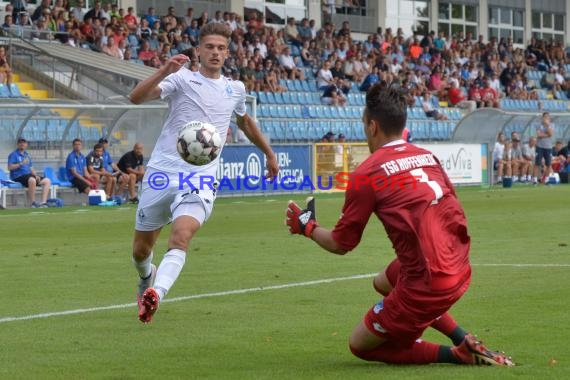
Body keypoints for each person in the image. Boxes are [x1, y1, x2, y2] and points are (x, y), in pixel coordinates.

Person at [285, 82, 514, 366]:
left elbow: (342, 244)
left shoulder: (367, 173)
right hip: (461, 267)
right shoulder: (427, 157)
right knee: (383, 281)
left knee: (360, 345)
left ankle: (457, 355)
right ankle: (461, 337)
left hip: (430, 283)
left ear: (371, 126)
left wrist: (307, 226)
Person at [128, 22, 279, 324]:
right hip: (162, 173)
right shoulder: (181, 79)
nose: (215, 52)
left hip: (200, 177)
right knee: (141, 250)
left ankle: (156, 293)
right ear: (198, 50)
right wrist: (164, 70)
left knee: (181, 235)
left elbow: (245, 122)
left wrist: (269, 153)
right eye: (209, 46)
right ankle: (147, 278)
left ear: (227, 53)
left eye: (221, 48)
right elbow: (136, 98)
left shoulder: (234, 89)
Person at [7, 137, 51, 207]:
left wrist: (35, 175)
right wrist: (21, 163)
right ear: (17, 144)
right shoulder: (13, 155)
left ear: (26, 144)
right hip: (17, 177)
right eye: (20, 142)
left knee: (47, 181)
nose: (22, 144)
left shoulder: (26, 155)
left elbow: (31, 168)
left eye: (24, 142)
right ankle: (33, 203)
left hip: (28, 176)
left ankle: (43, 202)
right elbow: (9, 167)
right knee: (32, 180)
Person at [533, 112, 554, 184]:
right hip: (540, 146)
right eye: (544, 117)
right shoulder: (538, 125)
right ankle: (535, 179)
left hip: (548, 147)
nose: (546, 118)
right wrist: (547, 135)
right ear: (542, 117)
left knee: (548, 164)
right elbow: (539, 135)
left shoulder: (551, 125)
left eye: (547, 117)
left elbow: (551, 134)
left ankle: (547, 180)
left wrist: (547, 125)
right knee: (537, 163)